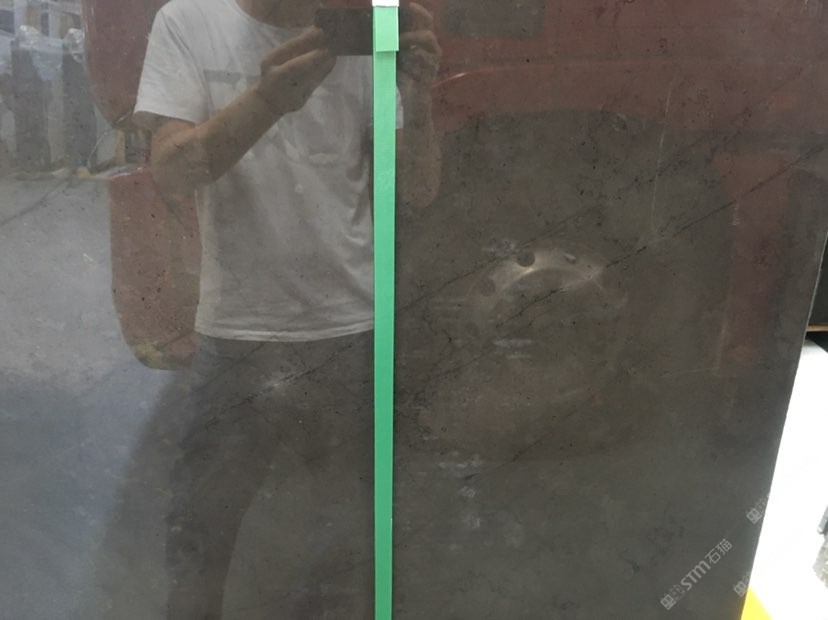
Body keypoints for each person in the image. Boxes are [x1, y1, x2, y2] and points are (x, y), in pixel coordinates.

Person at [130, 0, 442, 616]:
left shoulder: (361, 32)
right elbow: (171, 172)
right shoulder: (189, 21)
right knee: (198, 547)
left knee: (345, 554)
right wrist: (267, 100)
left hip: (347, 330)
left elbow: (416, 190)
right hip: (236, 336)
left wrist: (419, 94)